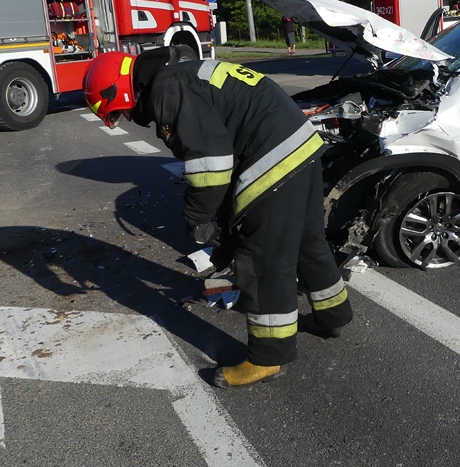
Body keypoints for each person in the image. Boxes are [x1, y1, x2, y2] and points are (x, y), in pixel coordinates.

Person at [83, 48, 353, 387]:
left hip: (273, 162)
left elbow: (211, 166)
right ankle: (333, 313)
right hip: (302, 149)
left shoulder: (167, 91)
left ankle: (269, 357)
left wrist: (198, 220)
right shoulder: (179, 76)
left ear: (120, 91)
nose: (126, 118)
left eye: (119, 112)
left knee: (263, 262)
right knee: (307, 241)